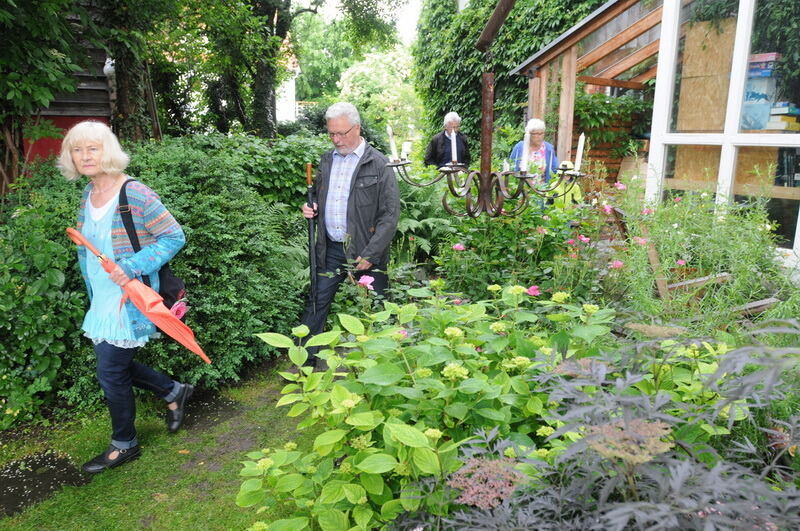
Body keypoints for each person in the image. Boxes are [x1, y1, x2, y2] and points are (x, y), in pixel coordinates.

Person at [57, 121, 193, 474]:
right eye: (77, 149)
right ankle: (173, 391)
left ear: (108, 151)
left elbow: (174, 236)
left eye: (93, 148)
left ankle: (124, 443)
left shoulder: (135, 193)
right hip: (102, 297)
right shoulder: (88, 193)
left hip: (128, 299)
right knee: (115, 367)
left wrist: (131, 266)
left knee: (110, 371)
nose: (85, 156)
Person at [299, 102, 400, 367]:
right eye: (331, 133)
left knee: (380, 308)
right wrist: (311, 208)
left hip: (365, 250)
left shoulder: (379, 164)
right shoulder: (327, 160)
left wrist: (371, 254)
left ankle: (389, 365)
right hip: (330, 248)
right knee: (316, 304)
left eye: (341, 133)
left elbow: (390, 215)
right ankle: (304, 366)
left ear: (357, 128)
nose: (336, 139)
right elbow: (320, 197)